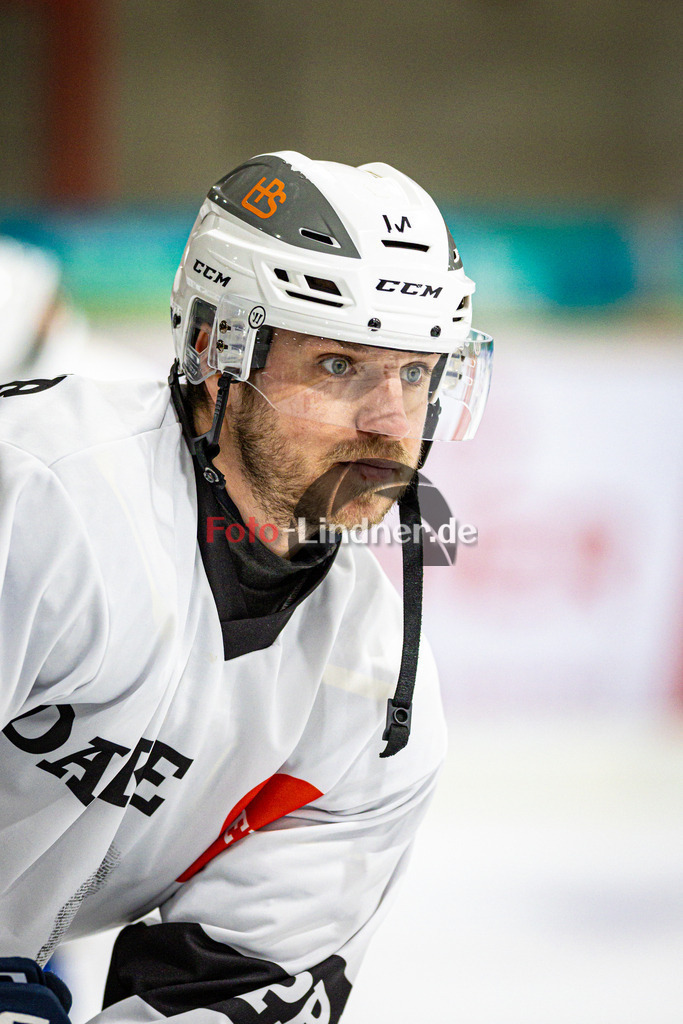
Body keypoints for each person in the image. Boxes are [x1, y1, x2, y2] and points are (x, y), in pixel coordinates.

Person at [0, 151, 492, 1023]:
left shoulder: (376, 692)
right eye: (339, 365)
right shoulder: (37, 491)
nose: (389, 424)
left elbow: (228, 987)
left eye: (415, 373)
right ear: (211, 348)